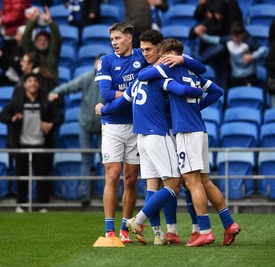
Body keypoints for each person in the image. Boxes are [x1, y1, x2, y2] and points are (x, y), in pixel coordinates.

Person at [95, 22, 206, 243]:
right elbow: (187, 87)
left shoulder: (141, 77)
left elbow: (119, 101)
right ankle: (138, 221)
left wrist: (104, 109)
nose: (145, 53)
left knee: (152, 184)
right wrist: (197, 93)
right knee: (175, 183)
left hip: (140, 134)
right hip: (159, 132)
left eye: (118, 38)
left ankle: (161, 234)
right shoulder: (158, 74)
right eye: (112, 39)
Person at [137, 38, 241, 246]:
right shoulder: (192, 71)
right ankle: (229, 224)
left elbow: (142, 75)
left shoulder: (167, 69)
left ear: (167, 55)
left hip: (185, 132)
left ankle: (204, 230)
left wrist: (163, 65)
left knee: (191, 182)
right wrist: (196, 105)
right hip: (200, 129)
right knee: (204, 180)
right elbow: (217, 91)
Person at [0, 73, 64, 212]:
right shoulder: (17, 101)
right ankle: (20, 205)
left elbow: (60, 116)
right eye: (30, 81)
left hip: (42, 145)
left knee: (42, 177)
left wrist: (51, 124)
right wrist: (13, 118)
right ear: (25, 84)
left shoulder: (46, 101)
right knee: (21, 177)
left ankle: (43, 205)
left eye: (35, 81)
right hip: (22, 145)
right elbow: (2, 115)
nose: (33, 83)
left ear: (38, 84)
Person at [48, 54, 105, 206]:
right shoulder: (87, 77)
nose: (99, 65)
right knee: (86, 159)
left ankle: (107, 195)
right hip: (85, 123)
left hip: (104, 124)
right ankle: (84, 195)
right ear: (94, 64)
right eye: (98, 62)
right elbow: (71, 86)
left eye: (103, 62)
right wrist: (56, 92)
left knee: (106, 161)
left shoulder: (111, 80)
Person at [195, 20, 268, 87]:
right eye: (234, 36)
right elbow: (215, 40)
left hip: (248, 76)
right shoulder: (229, 39)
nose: (236, 39)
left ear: (243, 34)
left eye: (238, 37)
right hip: (235, 76)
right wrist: (202, 36)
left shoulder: (249, 41)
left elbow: (264, 49)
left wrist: (252, 56)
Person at [23, 5, 62, 81]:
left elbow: (57, 38)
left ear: (49, 42)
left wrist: (50, 21)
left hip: (50, 86)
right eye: (39, 40)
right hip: (33, 86)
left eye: (45, 40)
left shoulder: (52, 53)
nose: (42, 42)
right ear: (35, 42)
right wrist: (33, 20)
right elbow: (26, 37)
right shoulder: (31, 53)